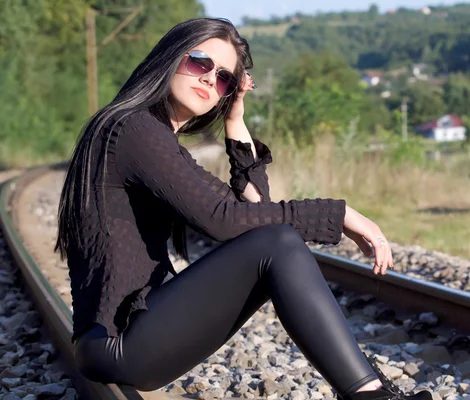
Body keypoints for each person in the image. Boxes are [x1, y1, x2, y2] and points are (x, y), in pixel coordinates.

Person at [54, 17, 433, 400]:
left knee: (276, 242)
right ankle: (371, 396)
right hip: (117, 343)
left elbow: (255, 211)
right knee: (278, 243)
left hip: (129, 337)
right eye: (200, 63)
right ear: (170, 57)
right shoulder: (132, 129)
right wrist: (339, 214)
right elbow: (227, 221)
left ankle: (369, 393)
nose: (209, 79)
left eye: (223, 78)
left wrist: (235, 122)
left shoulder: (151, 135)